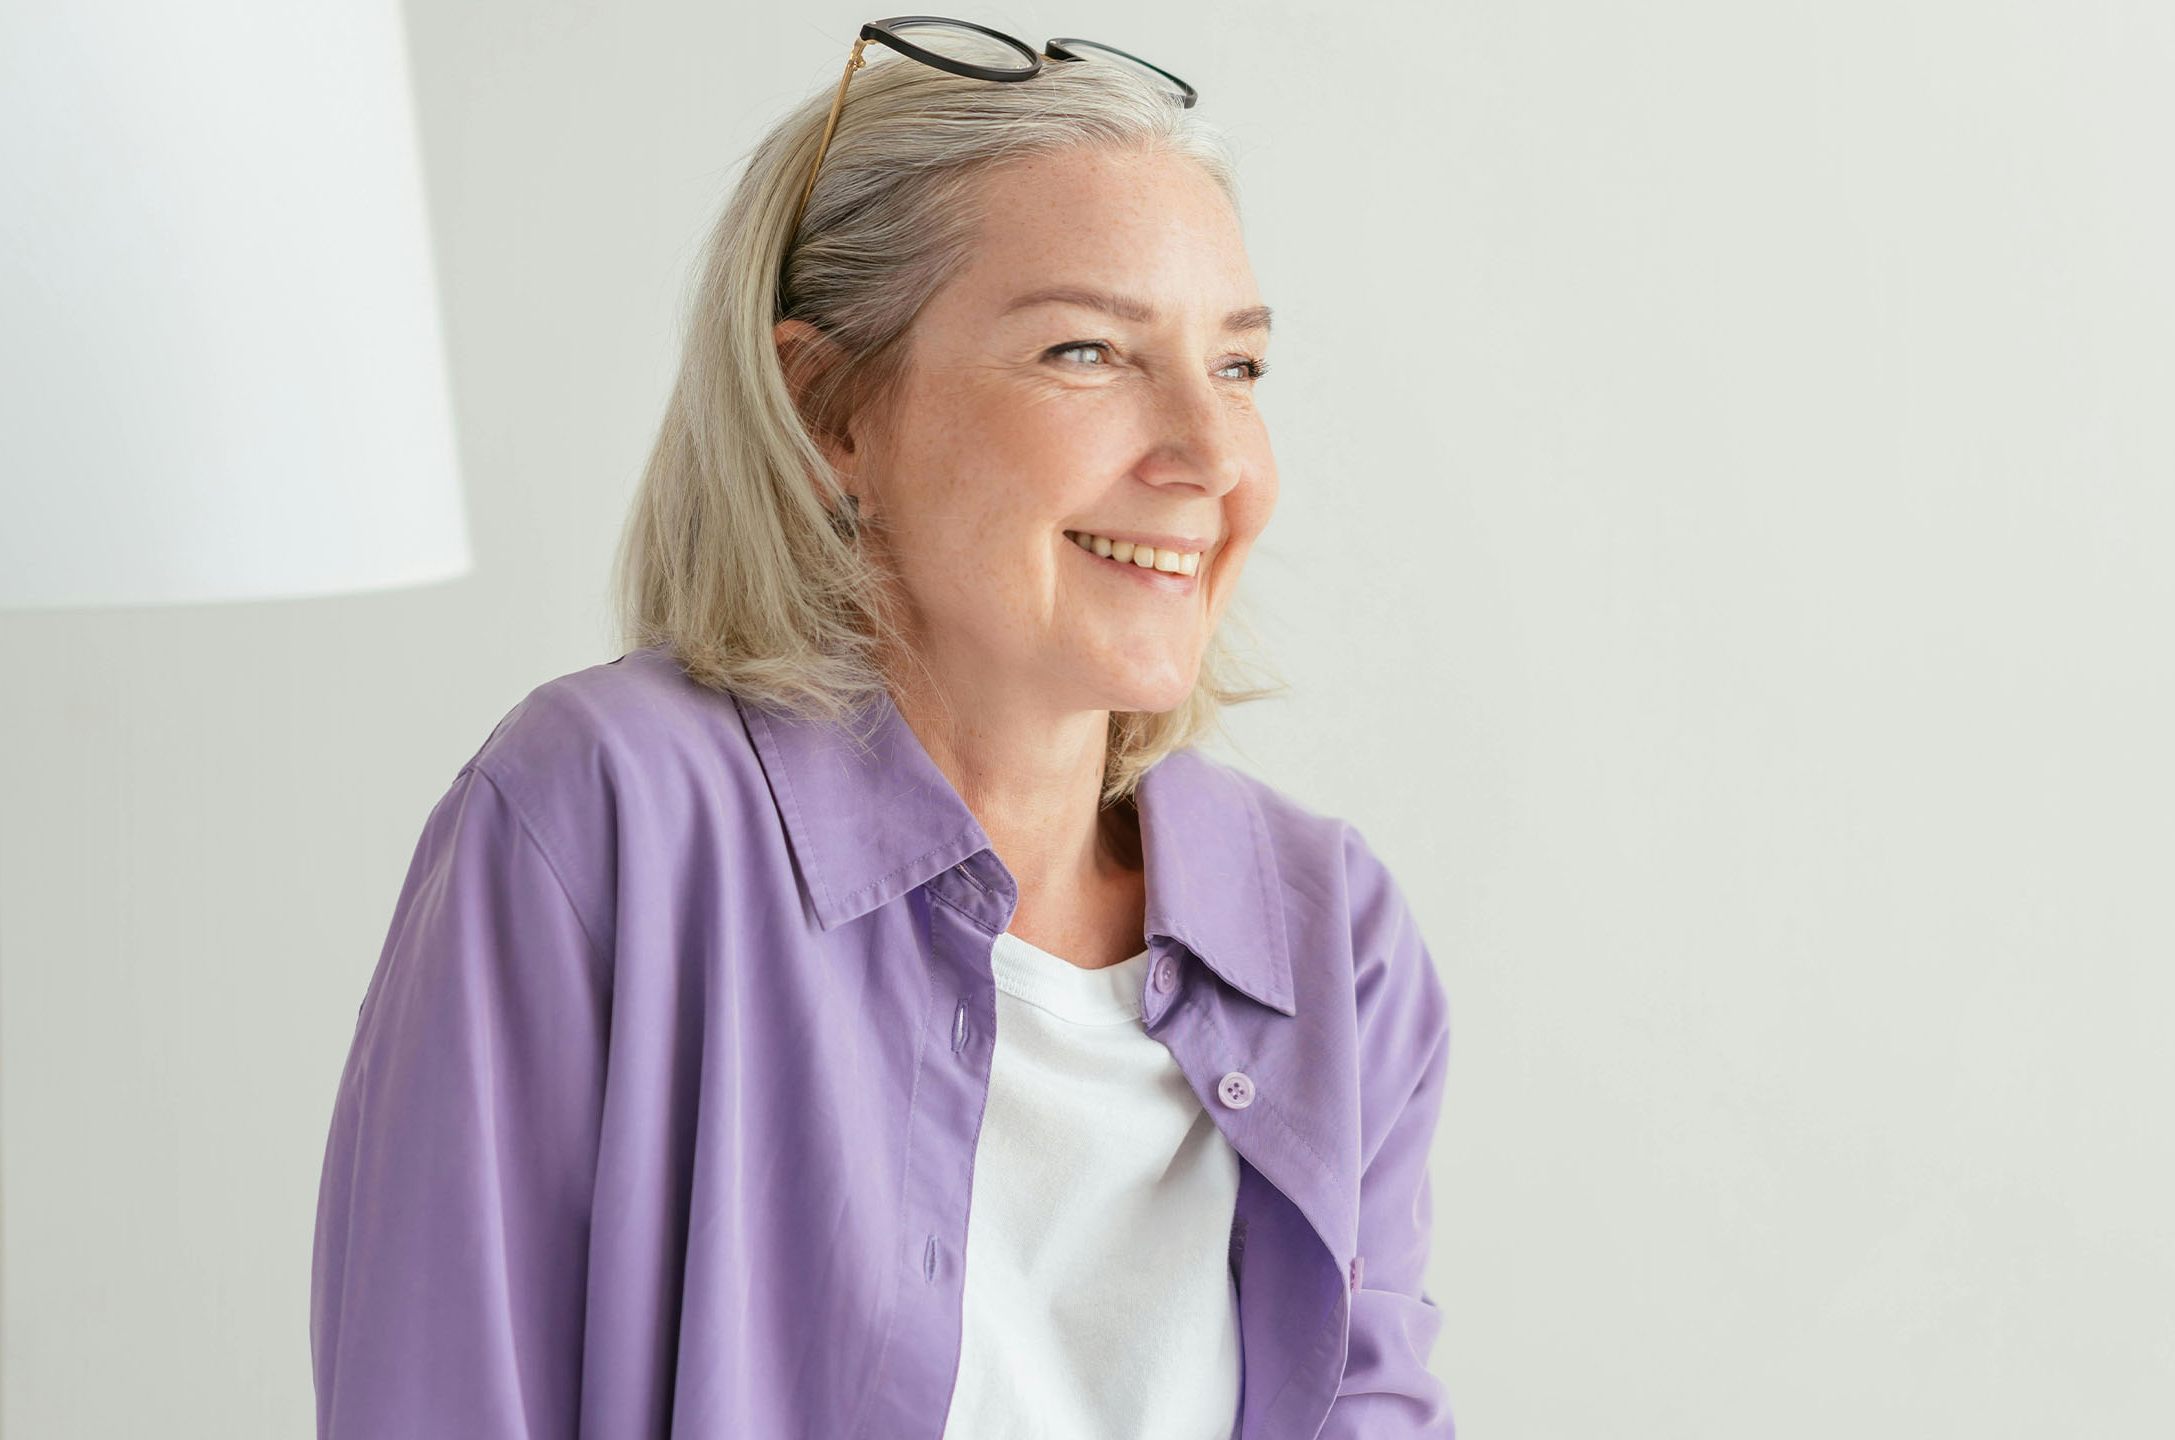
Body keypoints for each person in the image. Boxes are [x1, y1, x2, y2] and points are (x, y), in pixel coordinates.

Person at [310, 20, 1454, 1439]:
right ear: (831, 411)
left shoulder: (1332, 937)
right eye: (1089, 350)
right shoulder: (602, 821)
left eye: (1237, 367)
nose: (1212, 459)